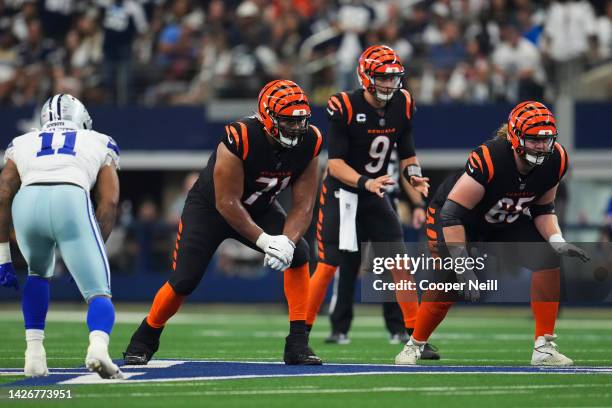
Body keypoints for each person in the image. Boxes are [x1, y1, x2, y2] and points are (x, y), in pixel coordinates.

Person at [123, 79, 323, 366]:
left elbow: (304, 205)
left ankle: (298, 343)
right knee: (184, 281)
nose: (296, 129)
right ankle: (145, 336)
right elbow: (226, 202)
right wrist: (267, 242)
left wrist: (287, 242)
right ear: (267, 117)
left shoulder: (310, 141)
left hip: (260, 206)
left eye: (300, 121)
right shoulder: (239, 136)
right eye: (288, 121)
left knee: (300, 253)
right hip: (211, 209)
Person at [395, 101, 589, 366]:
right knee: (449, 281)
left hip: (502, 220)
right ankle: (414, 345)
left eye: (546, 140)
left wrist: (557, 241)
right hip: (457, 219)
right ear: (515, 137)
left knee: (547, 258)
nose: (542, 147)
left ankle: (543, 347)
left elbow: (544, 209)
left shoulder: (556, 159)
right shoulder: (491, 158)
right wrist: (463, 265)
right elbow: (452, 214)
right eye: (534, 140)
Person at [305, 44, 438, 359]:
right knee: (328, 265)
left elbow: (407, 153)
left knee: (399, 264)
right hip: (343, 192)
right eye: (383, 77)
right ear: (366, 77)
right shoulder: (344, 106)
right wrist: (366, 182)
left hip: (374, 193)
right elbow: (334, 163)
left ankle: (415, 337)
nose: (391, 84)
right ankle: (299, 335)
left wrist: (414, 176)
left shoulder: (403, 104)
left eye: (394, 77)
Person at [0, 94, 122, 378]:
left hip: (27, 202)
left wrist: (3, 256)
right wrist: (94, 250)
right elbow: (109, 202)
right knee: (99, 292)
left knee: (37, 274)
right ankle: (98, 349)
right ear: (82, 120)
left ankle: (33, 353)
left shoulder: (22, 142)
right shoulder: (98, 140)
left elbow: (4, 193)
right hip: (70, 198)